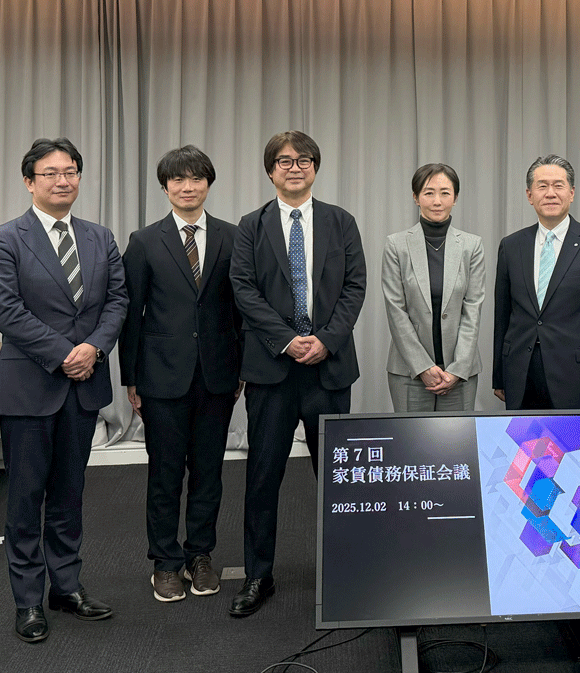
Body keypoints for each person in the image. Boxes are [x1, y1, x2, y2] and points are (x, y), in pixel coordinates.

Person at [0, 137, 128, 642]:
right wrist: (65, 353)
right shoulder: (4, 239)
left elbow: (117, 300)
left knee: (69, 495)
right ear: (29, 182)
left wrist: (93, 349)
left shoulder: (100, 237)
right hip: (30, 387)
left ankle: (66, 587)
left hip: (82, 387)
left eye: (70, 172)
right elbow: (6, 311)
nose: (62, 180)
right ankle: (28, 601)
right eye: (50, 173)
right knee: (25, 499)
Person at [228, 130, 366, 617]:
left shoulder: (341, 222)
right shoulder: (251, 226)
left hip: (328, 369)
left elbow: (355, 287)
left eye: (304, 160)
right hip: (272, 370)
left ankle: (346, 573)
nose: (294, 167)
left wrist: (325, 340)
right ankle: (257, 575)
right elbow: (243, 288)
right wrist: (287, 340)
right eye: (284, 161)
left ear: (315, 168)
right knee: (263, 477)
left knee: (337, 480)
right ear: (270, 171)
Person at [118, 146, 242, 603]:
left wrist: (241, 368)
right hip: (160, 376)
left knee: (209, 472)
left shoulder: (232, 237)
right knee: (165, 473)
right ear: (165, 187)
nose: (187, 187)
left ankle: (200, 555)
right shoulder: (144, 241)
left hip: (218, 374)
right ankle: (165, 562)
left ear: (208, 184)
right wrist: (130, 377)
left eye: (196, 179)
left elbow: (240, 309)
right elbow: (131, 313)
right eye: (178, 180)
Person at [492, 154, 580, 410]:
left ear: (572, 193)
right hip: (522, 375)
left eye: (558, 185)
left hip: (579, 378)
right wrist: (499, 375)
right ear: (529, 195)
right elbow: (503, 316)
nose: (550, 193)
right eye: (542, 186)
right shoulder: (511, 246)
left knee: (575, 439)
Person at [382, 163, 485, 411]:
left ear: (455, 198)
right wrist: (423, 367)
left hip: (460, 373)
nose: (437, 201)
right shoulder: (396, 245)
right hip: (409, 372)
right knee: (410, 436)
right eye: (429, 193)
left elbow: (472, 310)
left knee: (457, 437)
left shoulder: (472, 246)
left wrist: (458, 369)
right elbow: (396, 311)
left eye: (445, 193)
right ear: (416, 197)